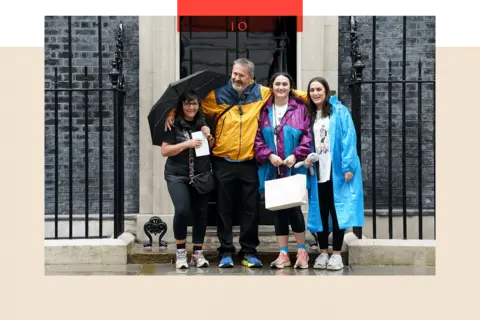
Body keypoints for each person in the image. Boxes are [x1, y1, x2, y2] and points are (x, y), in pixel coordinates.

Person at [165, 58, 308, 268]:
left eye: (241, 75)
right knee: (224, 209)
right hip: (223, 161)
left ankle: (249, 251)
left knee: (251, 209)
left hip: (250, 162)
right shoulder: (218, 94)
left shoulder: (262, 92)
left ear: (251, 78)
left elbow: (290, 93)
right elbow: (192, 105)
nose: (236, 78)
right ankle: (225, 252)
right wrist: (170, 114)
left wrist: (322, 98)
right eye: (234, 73)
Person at [303, 77, 365, 271]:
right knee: (320, 211)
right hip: (316, 170)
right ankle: (322, 252)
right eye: (312, 90)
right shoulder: (308, 114)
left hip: (336, 169)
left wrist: (348, 166)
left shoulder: (339, 111)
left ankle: (336, 254)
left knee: (337, 210)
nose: (315, 93)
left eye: (319, 89)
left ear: (326, 91)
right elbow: (304, 140)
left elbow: (348, 138)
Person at [254, 72, 312, 269]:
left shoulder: (300, 108)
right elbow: (257, 139)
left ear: (290, 87)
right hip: (273, 168)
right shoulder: (263, 110)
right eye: (277, 84)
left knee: (294, 209)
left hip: (293, 168)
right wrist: (270, 155)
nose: (280, 87)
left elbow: (307, 136)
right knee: (278, 210)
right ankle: (283, 254)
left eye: (284, 84)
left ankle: (302, 252)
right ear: (272, 87)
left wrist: (295, 155)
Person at [161, 91, 216, 269]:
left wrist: (208, 135)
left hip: (201, 175)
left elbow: (213, 146)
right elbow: (165, 151)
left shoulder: (205, 122)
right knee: (183, 210)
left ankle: (198, 253)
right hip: (177, 174)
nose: (191, 107)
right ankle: (181, 252)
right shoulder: (172, 124)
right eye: (187, 104)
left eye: (194, 104)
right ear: (181, 106)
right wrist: (186, 144)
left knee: (201, 213)